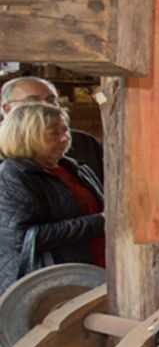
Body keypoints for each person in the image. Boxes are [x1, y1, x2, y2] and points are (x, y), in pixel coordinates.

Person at [0, 104, 105, 294]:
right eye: (53, 133)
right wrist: (99, 222)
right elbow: (22, 238)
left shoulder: (74, 168)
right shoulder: (13, 176)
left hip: (90, 268)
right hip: (50, 282)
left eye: (65, 130)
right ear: (27, 136)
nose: (65, 138)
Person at [1, 76, 105, 180]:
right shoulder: (7, 170)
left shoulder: (85, 143)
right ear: (7, 109)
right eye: (33, 101)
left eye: (51, 100)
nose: (45, 106)